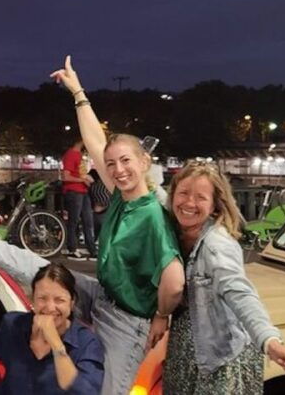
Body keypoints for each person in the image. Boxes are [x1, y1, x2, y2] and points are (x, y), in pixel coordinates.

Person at [48, 55, 185, 394]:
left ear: (145, 162)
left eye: (126, 161)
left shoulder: (151, 213)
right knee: (41, 276)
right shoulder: (126, 196)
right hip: (106, 300)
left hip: (129, 322)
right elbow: (98, 144)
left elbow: (175, 280)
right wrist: (78, 92)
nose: (118, 169)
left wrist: (161, 315)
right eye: (112, 164)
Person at [162, 161, 285, 394]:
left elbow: (240, 292)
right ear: (172, 196)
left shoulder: (216, 245)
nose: (189, 203)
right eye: (183, 193)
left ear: (214, 206)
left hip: (218, 357)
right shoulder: (173, 228)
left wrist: (269, 340)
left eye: (200, 197)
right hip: (188, 349)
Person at [0, 263, 104, 394]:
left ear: (72, 302)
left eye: (59, 300)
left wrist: (56, 344)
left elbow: (81, 391)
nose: (50, 307)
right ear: (32, 299)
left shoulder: (86, 343)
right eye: (42, 298)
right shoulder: (14, 324)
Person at [62, 138, 97, 260]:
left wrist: (85, 179)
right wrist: (83, 180)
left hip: (82, 191)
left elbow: (76, 174)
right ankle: (72, 248)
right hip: (74, 191)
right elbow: (66, 176)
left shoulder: (78, 154)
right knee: (74, 221)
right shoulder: (71, 154)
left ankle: (92, 250)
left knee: (88, 221)